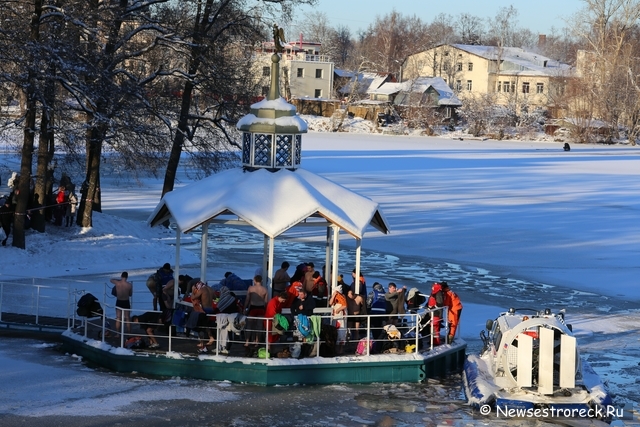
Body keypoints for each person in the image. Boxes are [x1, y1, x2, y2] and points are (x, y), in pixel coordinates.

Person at [244, 275, 268, 355]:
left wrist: (244, 308)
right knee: (259, 326)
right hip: (261, 308)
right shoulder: (264, 289)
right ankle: (257, 341)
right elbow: (265, 302)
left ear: (254, 280)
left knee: (249, 325)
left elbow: (247, 299)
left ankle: (247, 341)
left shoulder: (251, 288)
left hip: (253, 307)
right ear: (261, 281)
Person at [190, 280, 215, 352]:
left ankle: (203, 342)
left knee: (201, 326)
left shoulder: (202, 290)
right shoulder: (210, 289)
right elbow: (215, 297)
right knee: (206, 325)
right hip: (211, 308)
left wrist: (192, 291)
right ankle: (210, 337)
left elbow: (193, 297)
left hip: (205, 309)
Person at [110, 271, 133, 336]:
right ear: (127, 277)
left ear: (121, 276)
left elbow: (111, 280)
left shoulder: (117, 283)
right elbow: (130, 294)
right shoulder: (129, 285)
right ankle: (129, 333)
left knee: (118, 318)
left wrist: (119, 280)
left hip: (119, 301)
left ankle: (118, 333)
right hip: (126, 301)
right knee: (128, 318)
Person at [329, 288, 348, 355]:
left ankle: (341, 350)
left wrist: (339, 309)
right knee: (335, 332)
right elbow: (330, 303)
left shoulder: (343, 297)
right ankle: (335, 349)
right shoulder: (334, 297)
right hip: (335, 318)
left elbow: (344, 305)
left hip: (341, 318)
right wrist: (333, 295)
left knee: (341, 333)